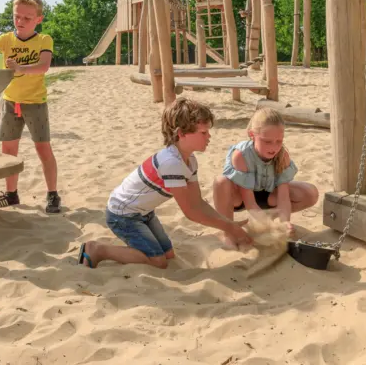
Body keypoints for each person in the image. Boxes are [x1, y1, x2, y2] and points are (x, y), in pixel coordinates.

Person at [77, 98, 253, 269]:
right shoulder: (172, 163)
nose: (209, 137)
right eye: (203, 132)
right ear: (181, 134)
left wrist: (228, 224)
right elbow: (190, 212)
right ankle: (98, 250)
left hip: (145, 213)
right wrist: (229, 227)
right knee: (158, 261)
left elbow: (198, 202)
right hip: (122, 215)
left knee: (168, 255)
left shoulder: (190, 160)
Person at [0, 0, 61, 213]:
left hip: (35, 103)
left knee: (43, 149)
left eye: (27, 18)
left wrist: (20, 69)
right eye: (17, 16)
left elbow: (43, 67)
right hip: (10, 102)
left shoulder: (44, 40)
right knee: (8, 151)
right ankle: (11, 194)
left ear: (38, 19)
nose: (21, 21)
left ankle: (52, 194)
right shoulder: (6, 39)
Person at [212, 108, 319, 244]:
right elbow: (250, 203)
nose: (274, 147)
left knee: (310, 193)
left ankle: (271, 219)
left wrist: (283, 223)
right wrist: (268, 226)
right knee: (221, 182)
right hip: (241, 198)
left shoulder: (282, 155)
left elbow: (283, 196)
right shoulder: (241, 155)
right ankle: (228, 232)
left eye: (279, 141)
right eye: (267, 141)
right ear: (252, 135)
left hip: (267, 196)